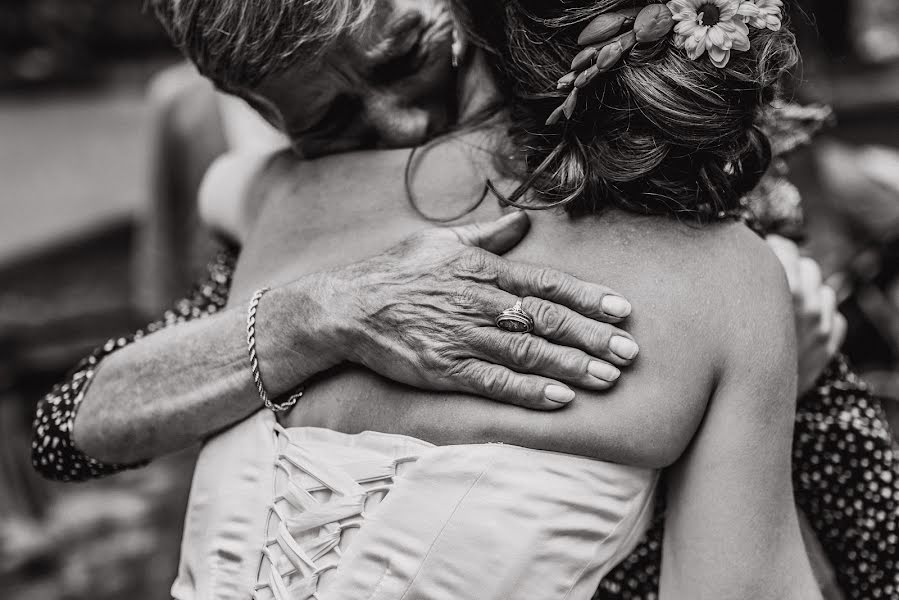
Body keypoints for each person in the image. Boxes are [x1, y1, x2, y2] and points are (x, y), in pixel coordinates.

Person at [32, 0, 896, 598]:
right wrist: (312, 315)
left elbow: (859, 511)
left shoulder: (705, 216)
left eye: (404, 55)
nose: (398, 123)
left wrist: (790, 379)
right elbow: (70, 428)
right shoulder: (296, 205)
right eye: (327, 117)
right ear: (255, 109)